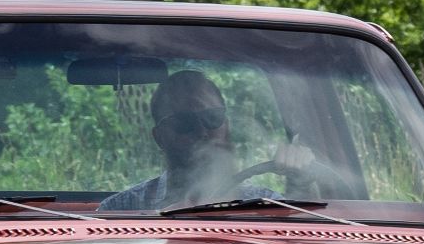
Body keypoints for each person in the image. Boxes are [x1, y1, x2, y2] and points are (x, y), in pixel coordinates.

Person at [99, 69, 338, 212]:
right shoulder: (121, 208)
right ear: (160, 137)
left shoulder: (266, 203)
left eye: (212, 118)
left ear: (226, 124)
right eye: (185, 122)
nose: (203, 132)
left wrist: (302, 182)